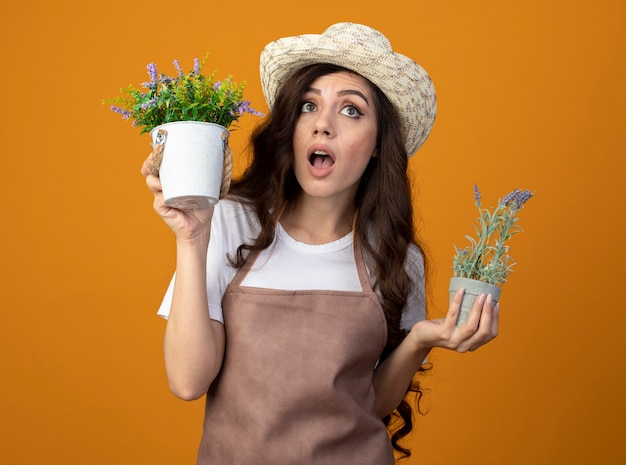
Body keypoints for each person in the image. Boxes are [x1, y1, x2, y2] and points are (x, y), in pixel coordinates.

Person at [141, 22, 499, 464]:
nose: (322, 125)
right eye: (308, 105)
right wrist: (193, 238)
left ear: (376, 146)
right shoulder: (227, 221)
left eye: (351, 110)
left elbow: (368, 404)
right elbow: (187, 381)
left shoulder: (396, 258)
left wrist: (419, 340)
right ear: (291, 127)